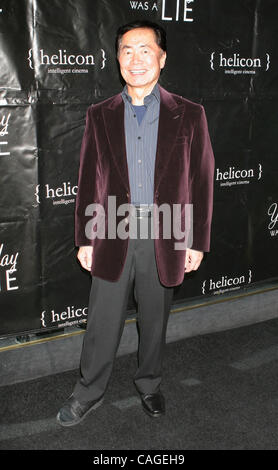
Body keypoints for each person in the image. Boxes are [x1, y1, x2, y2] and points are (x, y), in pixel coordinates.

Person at [57, 20, 214, 426]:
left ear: (161, 57)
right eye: (127, 50)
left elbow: (201, 180)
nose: (136, 58)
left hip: (167, 233)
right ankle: (88, 391)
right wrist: (85, 237)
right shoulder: (99, 115)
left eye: (145, 49)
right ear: (117, 59)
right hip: (112, 230)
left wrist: (195, 242)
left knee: (155, 319)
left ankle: (149, 384)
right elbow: (88, 178)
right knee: (102, 319)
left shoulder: (190, 115)